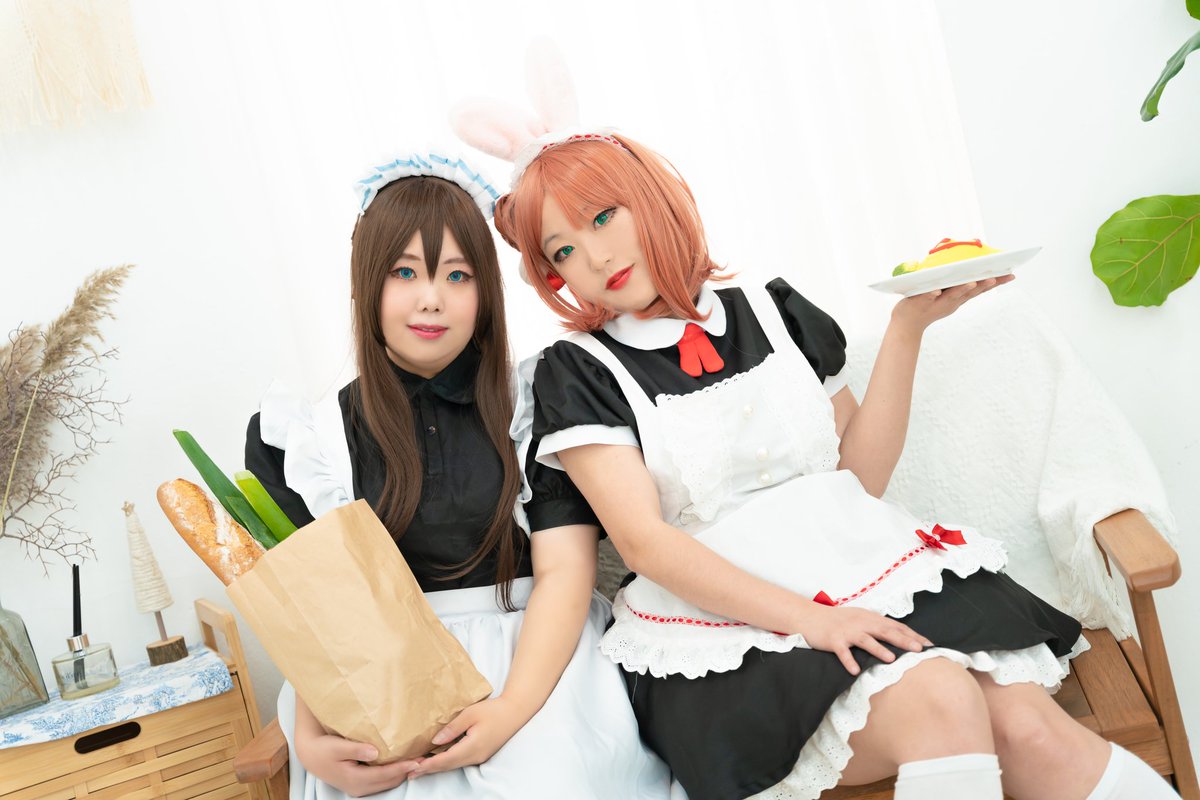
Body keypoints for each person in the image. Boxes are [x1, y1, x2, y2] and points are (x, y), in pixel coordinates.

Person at [479, 130, 1179, 800]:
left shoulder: (775, 311)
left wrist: (908, 328)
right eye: (563, 250)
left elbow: (857, 481)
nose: (595, 256)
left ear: (652, 198)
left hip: (872, 576)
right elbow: (645, 545)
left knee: (1034, 734)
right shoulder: (577, 374)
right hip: (729, 636)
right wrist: (811, 621)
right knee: (941, 700)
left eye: (604, 216)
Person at [244, 152, 672, 799]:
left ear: (486, 292)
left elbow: (565, 573)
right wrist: (309, 738)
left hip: (543, 665)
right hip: (382, 680)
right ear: (364, 283)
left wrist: (508, 711)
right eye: (404, 272)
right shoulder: (312, 439)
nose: (431, 298)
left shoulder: (541, 400)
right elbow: (319, 611)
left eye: (457, 274)